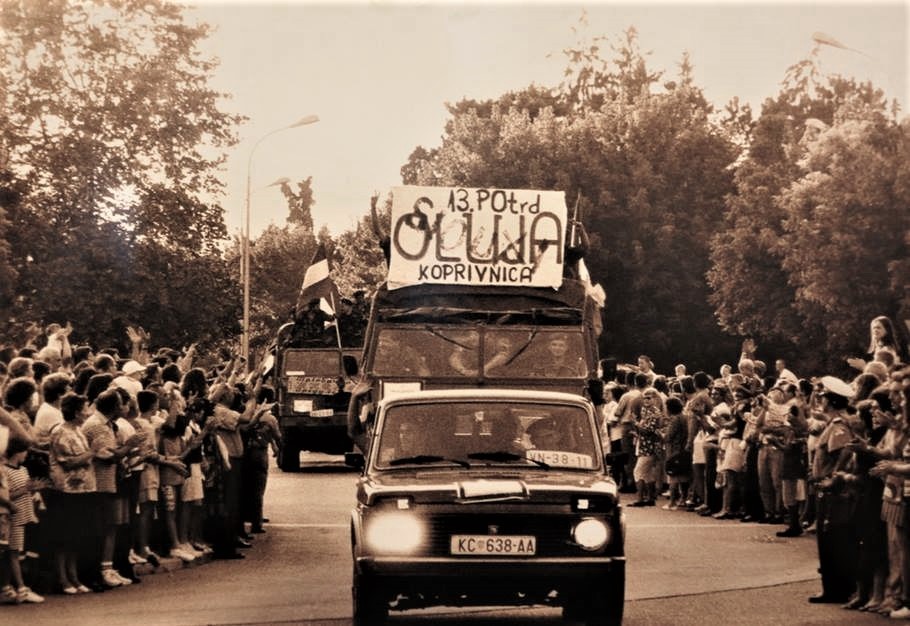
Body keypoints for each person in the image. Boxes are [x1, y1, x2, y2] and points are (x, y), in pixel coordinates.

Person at [808, 375, 859, 604]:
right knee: (827, 540)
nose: (820, 400)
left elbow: (845, 454)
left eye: (823, 396)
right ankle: (832, 587)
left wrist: (833, 478)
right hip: (825, 487)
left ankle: (837, 588)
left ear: (832, 400)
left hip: (833, 492)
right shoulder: (832, 423)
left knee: (833, 540)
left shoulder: (839, 425)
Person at [47, 392, 95, 595]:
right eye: (84, 409)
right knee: (64, 536)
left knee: (76, 535)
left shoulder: (78, 430)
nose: (87, 412)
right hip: (66, 489)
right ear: (76, 412)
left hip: (83, 488)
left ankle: (73, 576)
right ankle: (63, 577)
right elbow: (68, 461)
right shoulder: (60, 432)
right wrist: (91, 453)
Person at [3, 436, 44, 603]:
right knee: (13, 553)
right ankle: (21, 588)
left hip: (23, 517)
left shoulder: (23, 470)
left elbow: (26, 493)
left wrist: (33, 490)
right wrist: (25, 489)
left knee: (14, 552)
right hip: (12, 517)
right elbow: (7, 495)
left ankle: (8, 587)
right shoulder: (5, 471)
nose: (26, 454)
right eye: (24, 451)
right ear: (17, 452)